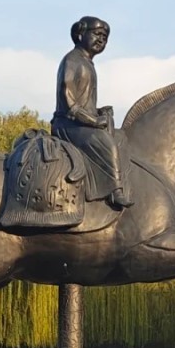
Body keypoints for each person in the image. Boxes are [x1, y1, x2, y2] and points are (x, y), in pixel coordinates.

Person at [51, 15, 132, 209]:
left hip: (81, 121)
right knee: (106, 143)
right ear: (80, 34)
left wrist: (98, 111)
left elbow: (83, 102)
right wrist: (93, 121)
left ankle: (117, 183)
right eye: (97, 34)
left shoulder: (88, 63)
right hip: (68, 125)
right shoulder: (72, 60)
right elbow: (70, 103)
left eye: (105, 36)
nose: (101, 40)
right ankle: (113, 191)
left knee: (120, 138)